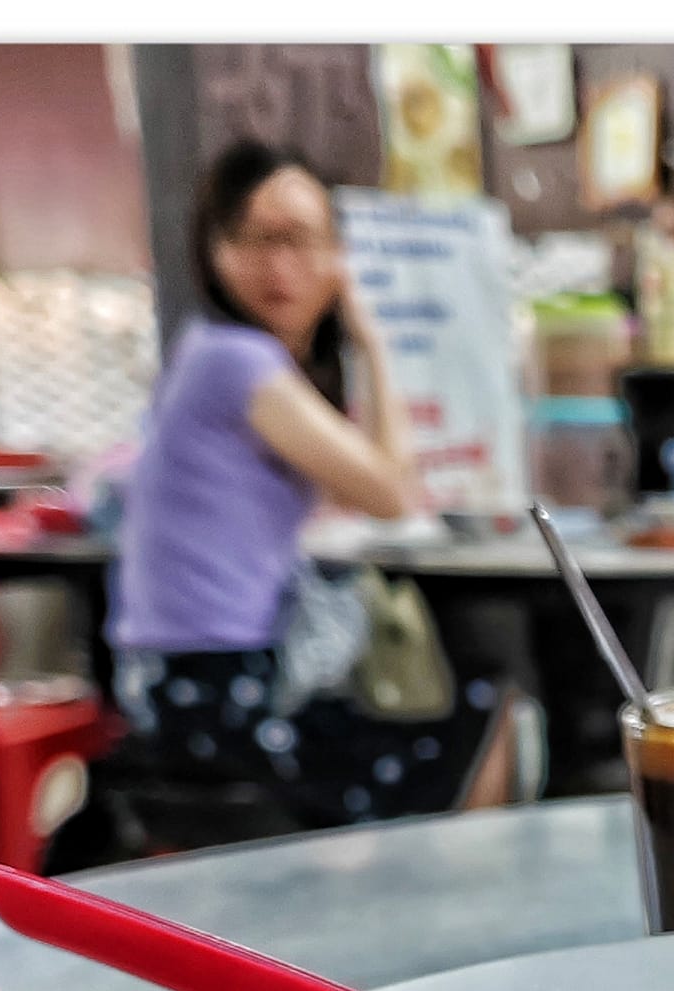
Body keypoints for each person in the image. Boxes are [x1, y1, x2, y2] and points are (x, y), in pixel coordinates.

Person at [102, 139, 519, 838]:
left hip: (175, 687)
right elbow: (391, 493)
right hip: (212, 695)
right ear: (217, 251)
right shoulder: (238, 362)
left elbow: (368, 484)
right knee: (484, 710)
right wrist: (373, 338)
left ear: (337, 255)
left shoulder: (208, 353)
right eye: (257, 240)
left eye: (304, 242)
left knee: (426, 708)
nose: (281, 267)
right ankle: (446, 924)